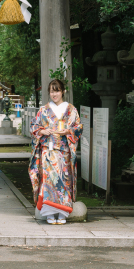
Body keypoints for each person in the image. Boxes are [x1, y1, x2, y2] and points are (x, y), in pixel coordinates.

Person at [29, 78, 83, 225]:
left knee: (64, 182)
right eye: (52, 91)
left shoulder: (71, 110)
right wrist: (42, 131)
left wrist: (69, 131)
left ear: (63, 91)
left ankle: (62, 213)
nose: (54, 94)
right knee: (49, 182)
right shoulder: (43, 110)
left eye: (57, 91)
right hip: (48, 151)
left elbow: (78, 127)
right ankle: (49, 214)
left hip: (64, 152)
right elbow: (34, 126)